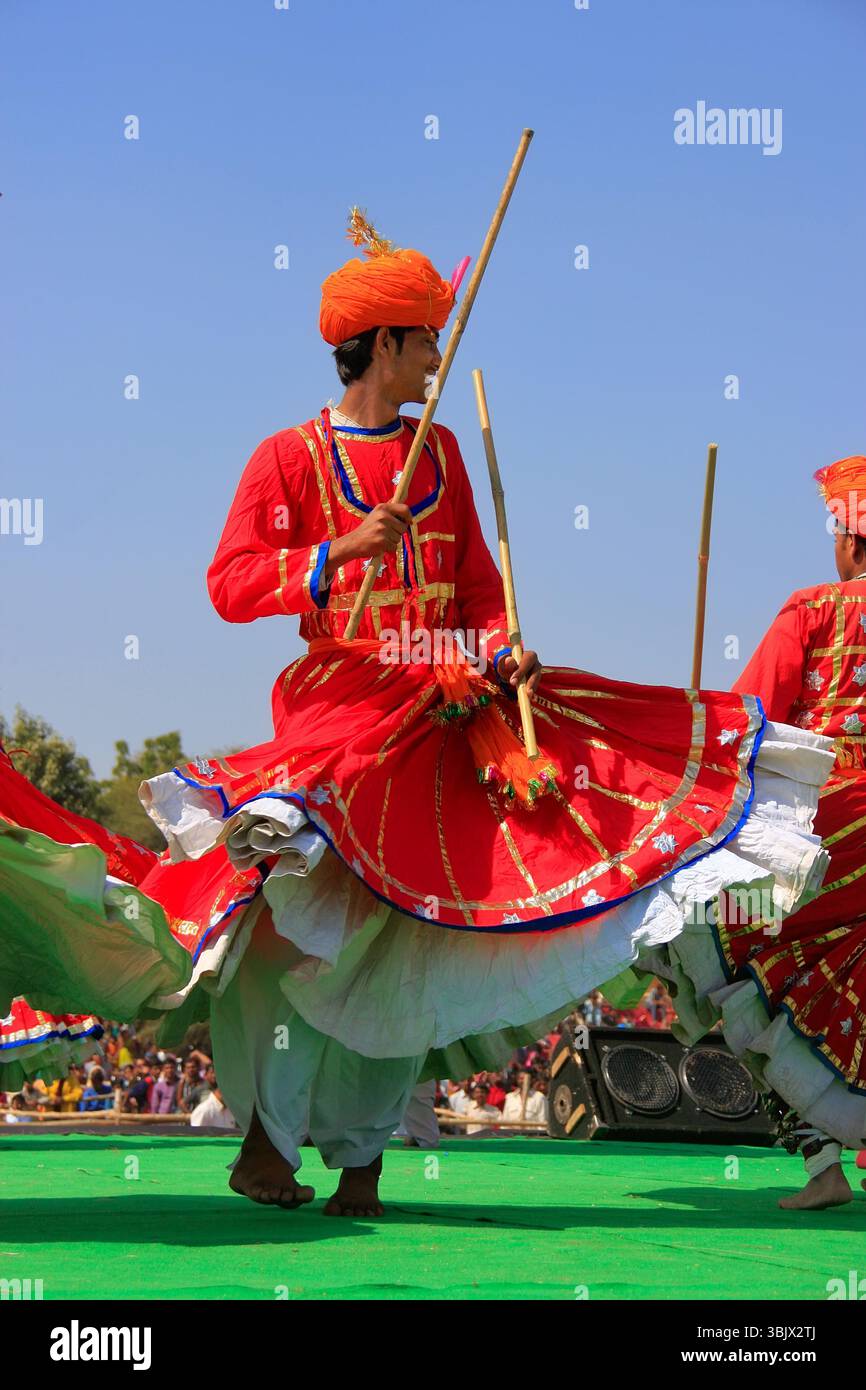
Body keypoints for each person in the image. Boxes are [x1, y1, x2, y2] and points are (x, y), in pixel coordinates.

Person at [0, 211, 834, 1219]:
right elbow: (227, 583)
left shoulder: (439, 452)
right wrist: (336, 553)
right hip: (333, 719)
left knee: (416, 939)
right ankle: (264, 1134)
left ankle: (362, 1160)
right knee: (289, 930)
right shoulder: (288, 458)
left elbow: (478, 593)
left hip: (441, 719)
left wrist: (496, 648)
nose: (439, 355)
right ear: (382, 345)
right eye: (427, 337)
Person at [642, 454, 866, 1211]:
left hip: (825, 831)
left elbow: (748, 723)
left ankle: (820, 1161)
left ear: (849, 541)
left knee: (722, 953)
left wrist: (690, 735)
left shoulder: (814, 611)